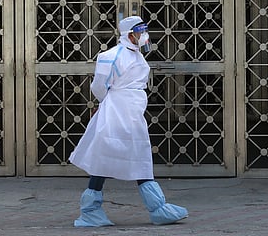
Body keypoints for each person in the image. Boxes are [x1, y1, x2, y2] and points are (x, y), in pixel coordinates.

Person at [69, 15, 188, 227]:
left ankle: (155, 208)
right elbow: (99, 86)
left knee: (137, 156)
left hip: (132, 111)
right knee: (106, 156)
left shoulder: (136, 55)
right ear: (129, 34)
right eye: (140, 30)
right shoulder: (112, 55)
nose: (144, 35)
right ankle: (91, 211)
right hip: (116, 110)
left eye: (145, 29)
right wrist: (107, 104)